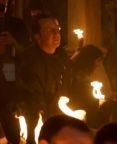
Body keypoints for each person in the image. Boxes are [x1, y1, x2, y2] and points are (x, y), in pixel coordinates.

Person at [17, 13, 72, 144]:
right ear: (37, 37)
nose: (56, 33)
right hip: (36, 125)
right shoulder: (28, 61)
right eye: (49, 30)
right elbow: (30, 96)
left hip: (55, 122)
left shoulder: (59, 59)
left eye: (57, 29)